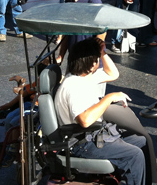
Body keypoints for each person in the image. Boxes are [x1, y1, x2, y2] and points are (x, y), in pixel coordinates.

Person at [54, 38, 146, 185]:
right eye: (97, 59)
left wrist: (102, 52)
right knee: (135, 155)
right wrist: (109, 98)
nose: (99, 61)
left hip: (94, 136)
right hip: (81, 143)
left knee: (141, 141)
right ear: (91, 64)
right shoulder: (73, 86)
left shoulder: (85, 77)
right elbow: (84, 120)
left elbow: (113, 74)